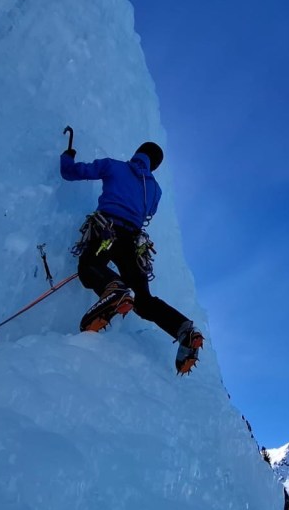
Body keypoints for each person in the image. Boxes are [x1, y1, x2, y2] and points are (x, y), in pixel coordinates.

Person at [59, 140, 204, 374]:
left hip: (106, 231)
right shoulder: (155, 189)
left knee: (89, 266)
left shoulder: (114, 166)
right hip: (133, 244)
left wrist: (68, 156)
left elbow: (70, 172)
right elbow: (149, 211)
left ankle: (113, 289)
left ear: (137, 153)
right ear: (154, 165)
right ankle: (184, 330)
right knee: (143, 301)